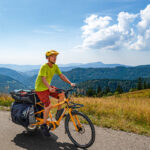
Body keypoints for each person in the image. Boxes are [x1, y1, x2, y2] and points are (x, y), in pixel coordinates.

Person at [35, 50, 76, 137]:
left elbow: (61, 76)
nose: (55, 58)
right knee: (48, 106)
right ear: (48, 58)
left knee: (62, 94)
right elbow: (43, 79)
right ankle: (44, 125)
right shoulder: (44, 67)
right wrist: (49, 87)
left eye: (55, 56)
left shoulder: (55, 66)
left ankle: (58, 112)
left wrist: (70, 83)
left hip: (48, 87)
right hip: (41, 89)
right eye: (53, 56)